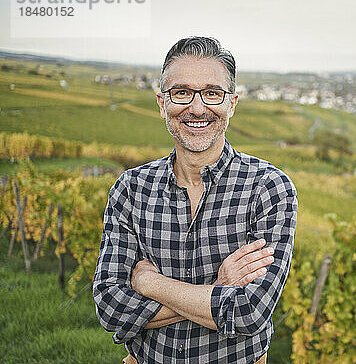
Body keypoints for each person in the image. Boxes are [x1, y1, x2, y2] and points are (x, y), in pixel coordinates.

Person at [93, 36, 298, 364]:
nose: (198, 108)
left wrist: (150, 282)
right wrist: (219, 288)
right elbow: (111, 309)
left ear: (232, 104)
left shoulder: (269, 189)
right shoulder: (130, 189)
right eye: (182, 92)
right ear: (162, 104)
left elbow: (250, 313)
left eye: (212, 93)